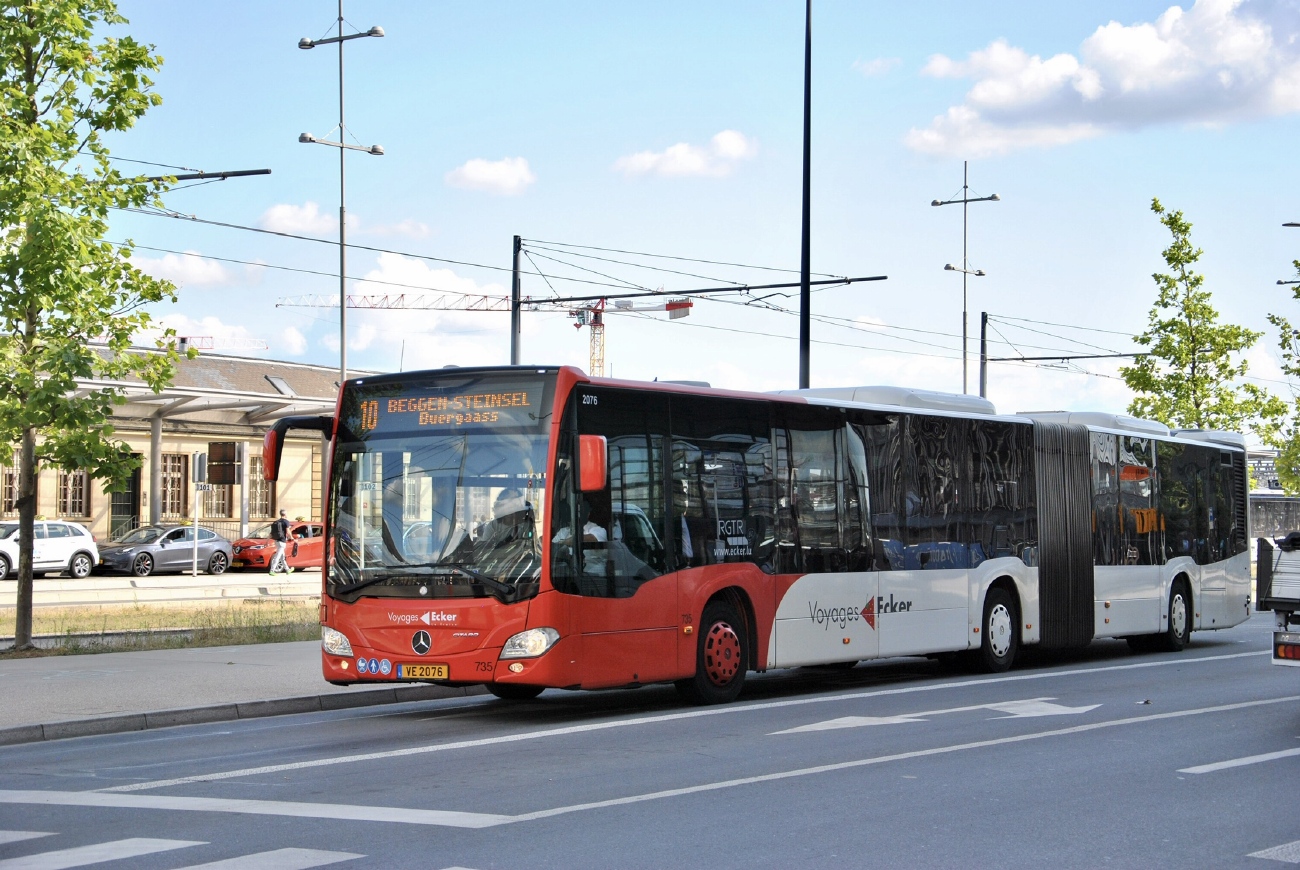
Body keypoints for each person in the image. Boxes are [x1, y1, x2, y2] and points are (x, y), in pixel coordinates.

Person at [268, 509, 293, 575]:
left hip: (276, 541)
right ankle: (272, 570)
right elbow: (288, 531)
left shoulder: (276, 522)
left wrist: (267, 541)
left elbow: (271, 533)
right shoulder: (286, 522)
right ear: (285, 514)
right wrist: (291, 537)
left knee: (282, 557)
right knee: (278, 556)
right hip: (282, 541)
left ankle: (287, 570)